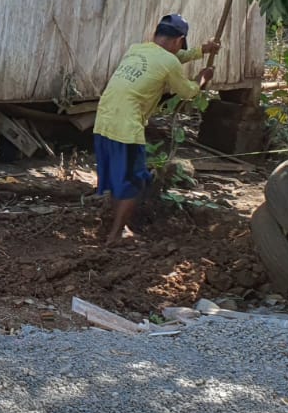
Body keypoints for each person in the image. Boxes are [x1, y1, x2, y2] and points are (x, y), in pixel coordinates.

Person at [93, 14, 220, 245]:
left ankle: (116, 226)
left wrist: (203, 50)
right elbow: (189, 91)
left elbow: (170, 58)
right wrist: (202, 78)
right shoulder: (168, 61)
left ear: (156, 35)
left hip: (104, 120)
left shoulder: (137, 49)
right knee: (135, 182)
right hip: (126, 125)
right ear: (179, 40)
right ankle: (116, 234)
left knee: (118, 179)